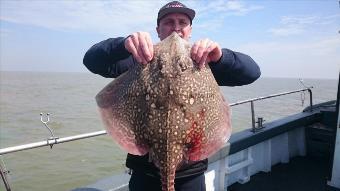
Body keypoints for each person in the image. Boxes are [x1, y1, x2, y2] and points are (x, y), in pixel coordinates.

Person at [83, 1, 261, 191]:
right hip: (144, 175)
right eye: (168, 22)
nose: (176, 29)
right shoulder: (140, 59)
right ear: (158, 30)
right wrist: (122, 44)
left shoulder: (202, 62)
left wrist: (221, 57)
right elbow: (91, 60)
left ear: (190, 30)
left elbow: (252, 73)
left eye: (182, 22)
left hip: (191, 178)